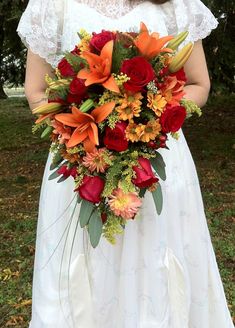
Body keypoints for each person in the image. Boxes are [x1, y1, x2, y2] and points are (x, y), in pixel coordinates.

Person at [17, 0, 234, 327]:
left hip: (158, 162)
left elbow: (198, 85)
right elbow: (35, 91)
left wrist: (148, 118)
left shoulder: (178, 6)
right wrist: (90, 126)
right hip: (83, 160)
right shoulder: (51, 5)